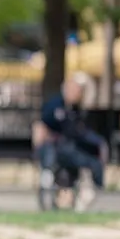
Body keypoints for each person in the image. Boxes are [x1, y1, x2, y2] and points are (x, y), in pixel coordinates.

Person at [39, 76, 107, 209]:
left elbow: (81, 132)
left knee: (91, 161)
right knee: (52, 152)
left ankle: (92, 189)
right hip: (56, 147)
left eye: (79, 91)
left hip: (71, 148)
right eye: (74, 90)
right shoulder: (55, 106)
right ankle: (47, 179)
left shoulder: (77, 110)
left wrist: (99, 144)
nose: (77, 93)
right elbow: (42, 127)